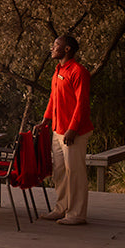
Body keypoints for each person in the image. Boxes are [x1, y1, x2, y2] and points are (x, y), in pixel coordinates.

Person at [41, 34, 93, 225]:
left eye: (56, 45)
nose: (52, 48)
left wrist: (72, 129)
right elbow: (53, 98)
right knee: (60, 173)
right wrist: (45, 120)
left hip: (74, 132)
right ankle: (61, 209)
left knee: (75, 173)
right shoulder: (58, 70)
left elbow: (82, 103)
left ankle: (77, 214)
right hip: (58, 130)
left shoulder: (78, 71)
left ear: (67, 49)